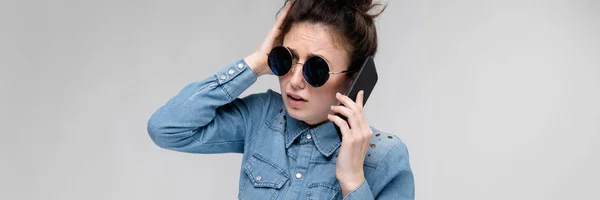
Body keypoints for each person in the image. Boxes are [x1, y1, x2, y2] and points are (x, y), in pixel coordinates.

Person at [147, 0, 414, 199]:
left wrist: (353, 181)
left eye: (316, 69)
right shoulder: (261, 117)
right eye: (285, 59)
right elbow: (166, 128)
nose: (295, 80)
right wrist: (254, 64)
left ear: (353, 79)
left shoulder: (383, 156)